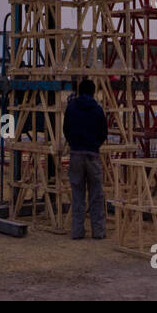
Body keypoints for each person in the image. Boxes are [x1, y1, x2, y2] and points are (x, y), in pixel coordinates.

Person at [64, 78, 107, 240]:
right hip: (92, 154)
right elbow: (103, 132)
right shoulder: (97, 109)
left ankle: (77, 231)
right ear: (93, 92)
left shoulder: (71, 107)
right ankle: (99, 231)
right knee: (96, 194)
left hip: (76, 154)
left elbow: (66, 129)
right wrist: (95, 144)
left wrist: (74, 143)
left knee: (77, 194)